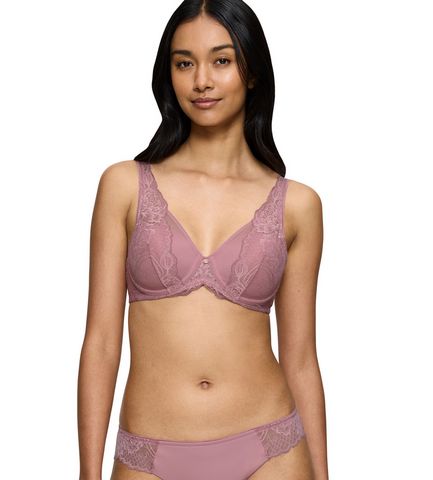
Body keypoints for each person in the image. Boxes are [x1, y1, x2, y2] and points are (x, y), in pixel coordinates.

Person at [77, 1, 328, 479]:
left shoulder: (298, 205)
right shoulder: (124, 185)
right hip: (150, 455)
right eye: (184, 63)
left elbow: (300, 361)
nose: (201, 81)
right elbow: (102, 343)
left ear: (252, 72)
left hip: (271, 449)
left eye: (222, 60)